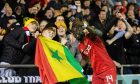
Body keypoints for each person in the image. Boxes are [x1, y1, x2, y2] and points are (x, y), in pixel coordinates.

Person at [71, 18, 116, 84]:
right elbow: (85, 60)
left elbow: (99, 33)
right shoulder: (80, 46)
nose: (76, 34)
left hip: (107, 69)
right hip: (96, 73)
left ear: (82, 30)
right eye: (74, 32)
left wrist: (84, 25)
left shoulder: (91, 37)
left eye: (77, 30)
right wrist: (77, 69)